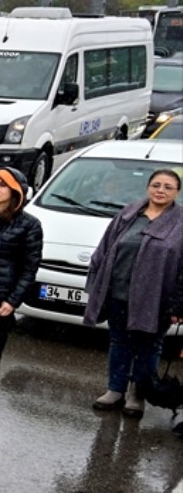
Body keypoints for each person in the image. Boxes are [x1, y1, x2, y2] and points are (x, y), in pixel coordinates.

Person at [83, 168, 183, 418]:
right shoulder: (128, 214)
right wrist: (96, 284)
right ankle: (115, 390)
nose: (161, 190)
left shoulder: (180, 223)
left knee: (149, 347)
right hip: (118, 292)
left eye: (168, 187)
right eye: (156, 185)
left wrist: (179, 304)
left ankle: (138, 394)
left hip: (157, 299)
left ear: (177, 192)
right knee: (119, 343)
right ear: (148, 188)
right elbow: (104, 248)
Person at [0, 168, 43, 413]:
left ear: (15, 190)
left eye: (2, 185)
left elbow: (29, 267)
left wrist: (13, 300)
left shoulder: (30, 225)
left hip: (1, 297)